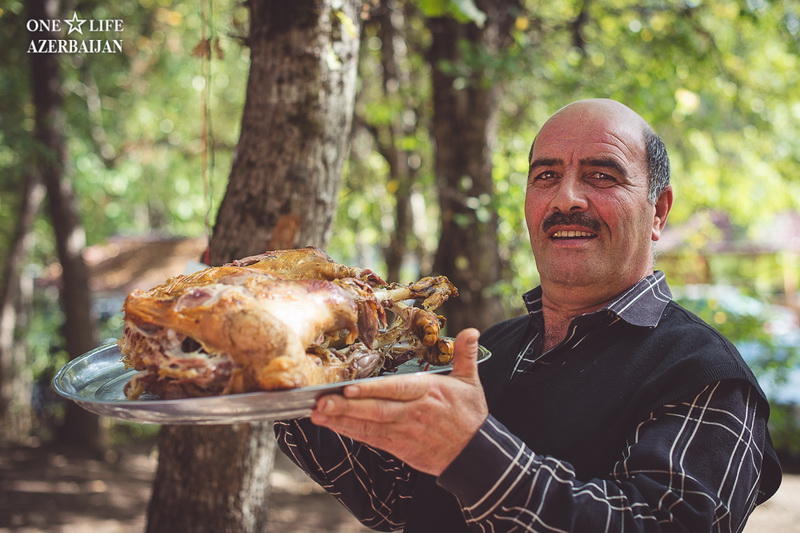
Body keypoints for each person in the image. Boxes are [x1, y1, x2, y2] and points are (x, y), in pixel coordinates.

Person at [275, 98, 782, 532]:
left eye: (601, 176)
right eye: (546, 176)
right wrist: (289, 387)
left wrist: (473, 454)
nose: (566, 198)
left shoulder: (704, 374)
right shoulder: (497, 346)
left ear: (659, 211)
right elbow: (400, 503)